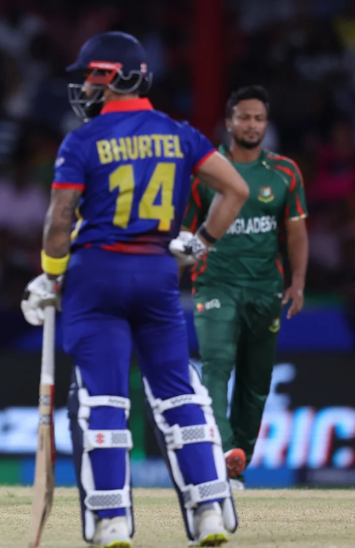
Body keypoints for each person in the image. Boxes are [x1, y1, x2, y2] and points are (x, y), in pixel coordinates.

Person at [21, 32, 249, 547]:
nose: (85, 87)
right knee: (178, 393)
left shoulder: (82, 140)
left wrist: (51, 274)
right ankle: (210, 512)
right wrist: (200, 242)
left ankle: (112, 522)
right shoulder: (179, 134)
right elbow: (236, 189)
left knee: (103, 397)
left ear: (114, 76)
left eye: (90, 77)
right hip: (157, 273)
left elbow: (59, 221)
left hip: (95, 276)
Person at [180, 85, 309, 490]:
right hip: (215, 283)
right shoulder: (207, 171)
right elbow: (185, 233)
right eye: (244, 117)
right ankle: (221, 455)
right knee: (216, 366)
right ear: (229, 122)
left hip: (265, 288)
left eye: (258, 118)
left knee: (256, 382)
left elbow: (296, 233)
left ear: (266, 125)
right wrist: (179, 267)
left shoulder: (285, 172)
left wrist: (298, 282)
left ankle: (238, 464)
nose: (251, 125)